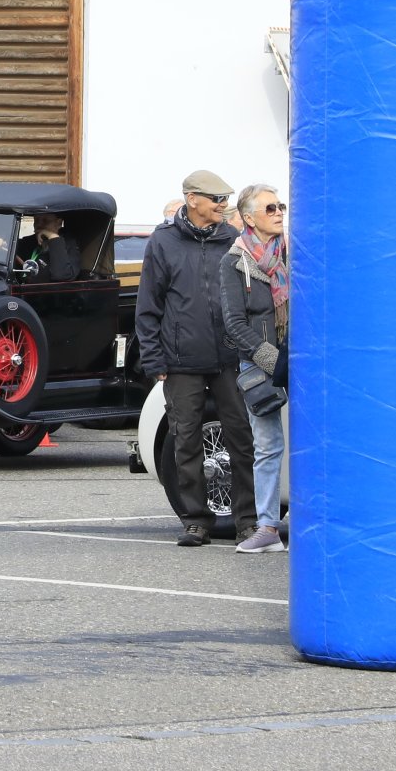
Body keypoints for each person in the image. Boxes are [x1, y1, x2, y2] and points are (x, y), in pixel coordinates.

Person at [135, 169, 256, 547]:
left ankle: (247, 521)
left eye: (225, 200)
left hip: (230, 359)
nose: (223, 205)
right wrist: (154, 360)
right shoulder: (163, 241)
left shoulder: (233, 238)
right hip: (180, 361)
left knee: (242, 439)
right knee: (185, 440)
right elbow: (148, 305)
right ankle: (195, 520)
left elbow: (249, 298)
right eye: (217, 199)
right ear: (192, 199)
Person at [221, 183, 289, 554]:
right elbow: (233, 323)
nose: (278, 213)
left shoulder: (295, 252)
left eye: (280, 206)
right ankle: (267, 527)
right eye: (270, 208)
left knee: (313, 441)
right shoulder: (234, 261)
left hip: (302, 359)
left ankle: (311, 518)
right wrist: (272, 360)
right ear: (249, 218)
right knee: (267, 446)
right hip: (262, 363)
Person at [16, 213, 80, 282]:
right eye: (36, 220)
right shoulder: (29, 241)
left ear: (59, 223)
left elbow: (62, 275)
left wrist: (52, 236)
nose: (39, 224)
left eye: (45, 220)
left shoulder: (68, 243)